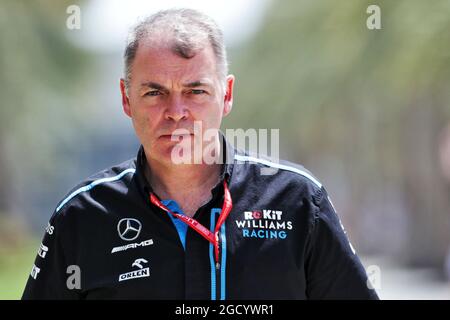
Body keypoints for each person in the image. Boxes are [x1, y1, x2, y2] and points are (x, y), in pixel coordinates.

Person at [22, 8, 379, 300]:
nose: (176, 111)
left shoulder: (299, 201)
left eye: (195, 91)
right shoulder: (81, 217)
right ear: (126, 98)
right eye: (154, 92)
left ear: (226, 94)